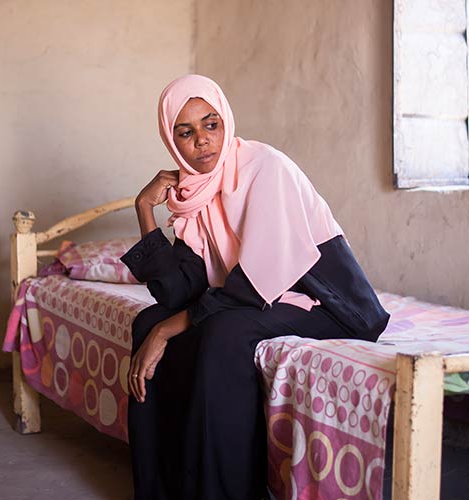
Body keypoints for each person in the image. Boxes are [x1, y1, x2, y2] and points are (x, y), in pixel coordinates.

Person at [120, 74, 389, 500]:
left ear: (227, 121)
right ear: (171, 141)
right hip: (264, 297)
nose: (203, 142)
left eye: (211, 125)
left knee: (221, 334)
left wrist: (169, 330)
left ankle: (226, 491)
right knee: (147, 321)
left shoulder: (265, 167)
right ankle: (161, 489)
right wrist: (144, 210)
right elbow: (177, 291)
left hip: (328, 304)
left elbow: (255, 280)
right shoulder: (193, 193)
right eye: (185, 132)